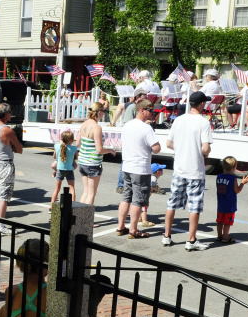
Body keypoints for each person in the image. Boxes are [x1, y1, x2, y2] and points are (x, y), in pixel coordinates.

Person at [164, 92, 214, 251]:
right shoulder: (203, 122)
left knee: (172, 203)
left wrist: (182, 148)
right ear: (200, 104)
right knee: (194, 206)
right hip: (195, 170)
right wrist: (204, 151)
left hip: (179, 168)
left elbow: (169, 143)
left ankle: (166, 236)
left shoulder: (178, 120)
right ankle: (191, 240)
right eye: (204, 103)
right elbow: (206, 148)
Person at [116, 99, 161, 239]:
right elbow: (157, 148)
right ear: (142, 110)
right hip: (140, 168)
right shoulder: (146, 128)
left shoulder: (127, 125)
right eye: (150, 110)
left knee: (126, 197)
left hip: (127, 166)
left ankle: (120, 226)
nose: (153, 113)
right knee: (138, 200)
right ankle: (133, 230)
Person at [0, 103, 23, 236]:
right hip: (5, 164)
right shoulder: (6, 129)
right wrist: (13, 147)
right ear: (6, 114)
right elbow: (19, 148)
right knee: (3, 197)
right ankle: (0, 225)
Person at [76, 102, 115, 207]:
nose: (104, 114)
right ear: (99, 113)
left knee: (85, 192)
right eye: (103, 111)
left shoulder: (84, 124)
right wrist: (110, 150)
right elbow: (99, 149)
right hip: (92, 163)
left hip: (82, 161)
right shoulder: (96, 127)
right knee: (91, 194)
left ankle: (78, 219)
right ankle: (86, 221)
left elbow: (77, 143)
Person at [215, 157, 248, 243]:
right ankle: (225, 238)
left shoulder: (218, 177)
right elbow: (237, 190)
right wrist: (242, 183)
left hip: (220, 203)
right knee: (227, 222)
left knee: (219, 221)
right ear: (234, 168)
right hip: (230, 204)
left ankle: (219, 236)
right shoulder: (233, 178)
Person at [50, 129, 77, 208]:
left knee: (57, 188)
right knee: (71, 188)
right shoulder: (73, 148)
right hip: (69, 170)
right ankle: (73, 205)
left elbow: (54, 157)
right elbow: (76, 157)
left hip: (60, 170)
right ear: (71, 140)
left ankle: (52, 206)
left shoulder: (57, 146)